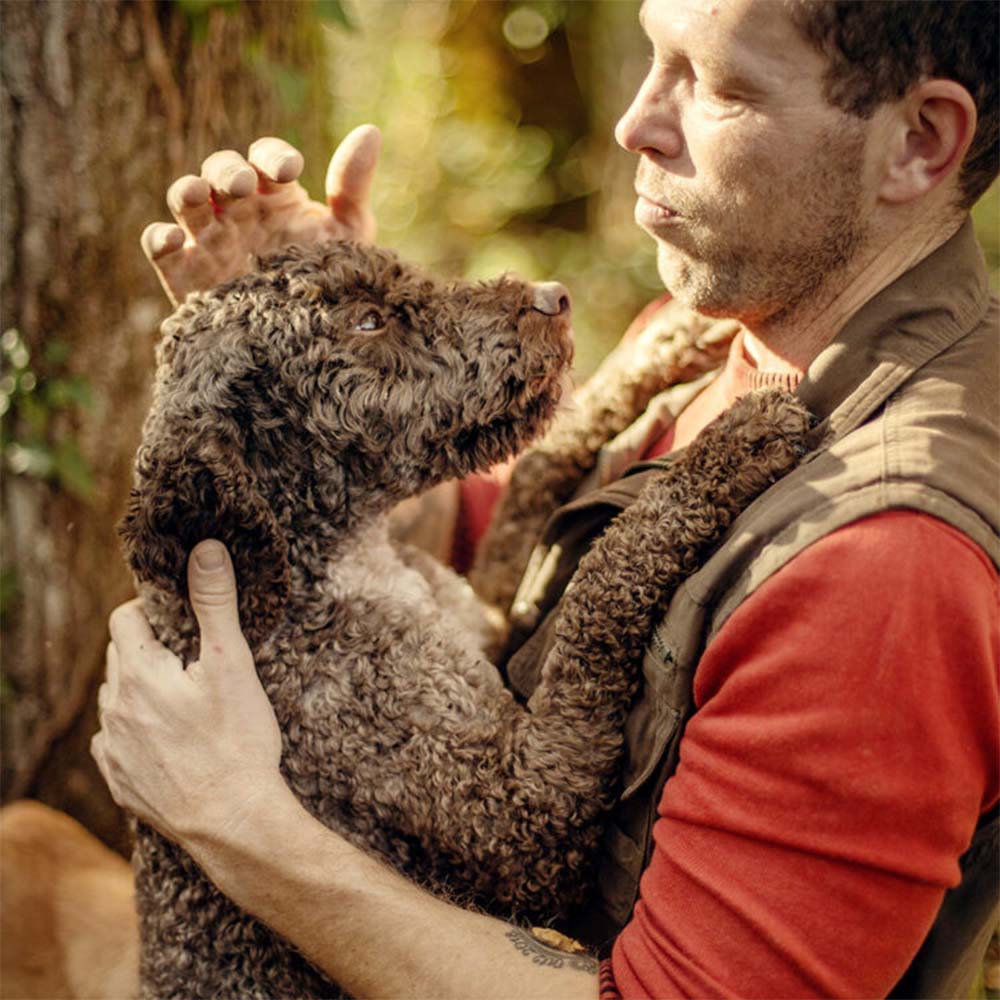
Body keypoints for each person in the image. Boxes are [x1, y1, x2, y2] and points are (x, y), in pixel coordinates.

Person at [92, 0, 999, 996]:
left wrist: (235, 823)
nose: (633, 122)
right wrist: (314, 389)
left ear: (916, 143)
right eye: (653, 57)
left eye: (719, 85)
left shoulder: (886, 565)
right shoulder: (734, 327)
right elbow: (514, 572)